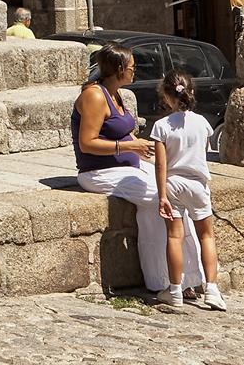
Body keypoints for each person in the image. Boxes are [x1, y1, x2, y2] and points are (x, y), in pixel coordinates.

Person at [72, 43, 203, 296]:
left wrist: (145, 149)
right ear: (119, 69)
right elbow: (87, 143)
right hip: (99, 172)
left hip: (127, 164)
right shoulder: (95, 96)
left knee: (174, 189)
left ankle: (186, 276)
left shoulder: (116, 94)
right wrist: (130, 147)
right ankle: (168, 279)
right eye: (131, 67)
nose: (135, 71)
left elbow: (122, 132)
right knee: (162, 199)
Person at [152, 70, 226, 310]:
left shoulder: (161, 126)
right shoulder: (203, 123)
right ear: (191, 91)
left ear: (166, 96)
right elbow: (202, 152)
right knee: (207, 236)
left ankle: (175, 290)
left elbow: (161, 165)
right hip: (198, 185)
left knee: (175, 236)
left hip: (173, 183)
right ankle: (212, 289)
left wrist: (162, 195)